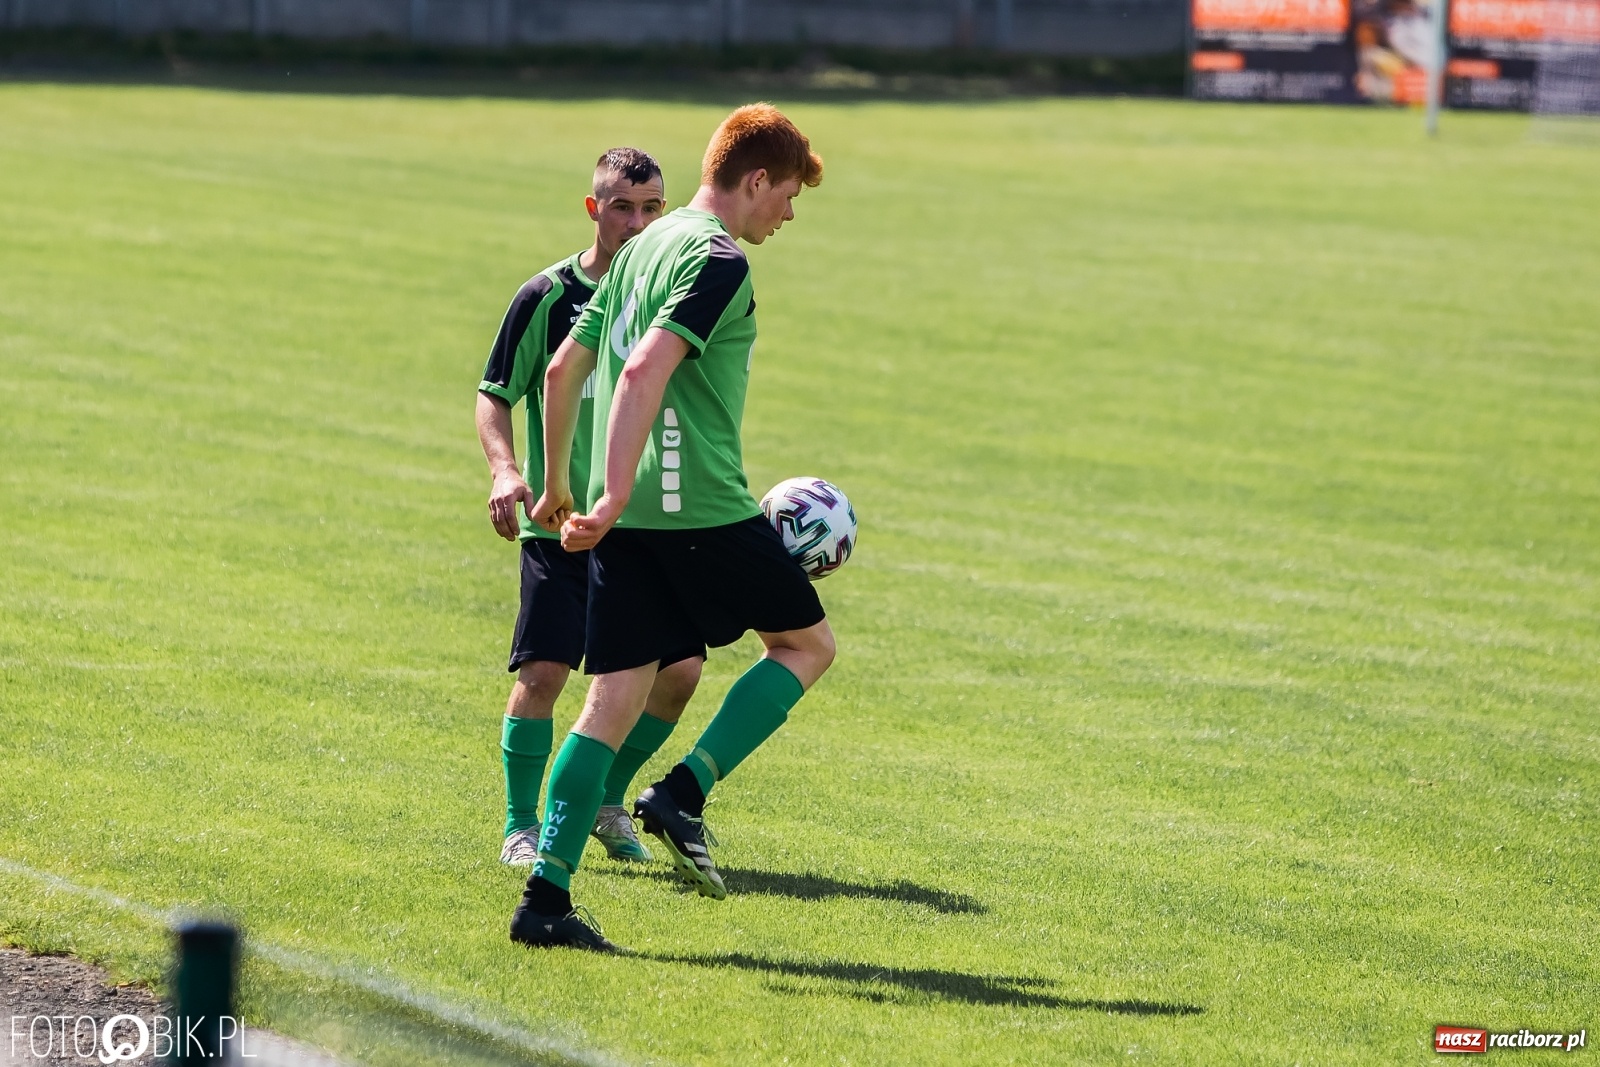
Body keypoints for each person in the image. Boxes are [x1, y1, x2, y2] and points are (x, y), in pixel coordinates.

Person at [510, 104, 833, 952]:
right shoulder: (717, 259)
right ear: (755, 179)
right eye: (788, 196)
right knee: (806, 646)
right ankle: (683, 792)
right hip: (703, 508)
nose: (788, 216)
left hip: (631, 523)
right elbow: (644, 369)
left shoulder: (642, 246)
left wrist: (559, 485)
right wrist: (610, 493)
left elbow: (562, 368)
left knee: (609, 699)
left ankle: (546, 899)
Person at [475, 148, 705, 869]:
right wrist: (506, 469)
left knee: (681, 671)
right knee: (545, 674)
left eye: (650, 208)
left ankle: (606, 797)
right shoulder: (546, 294)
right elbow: (494, 392)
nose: (636, 223)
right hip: (560, 523)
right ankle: (522, 826)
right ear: (592, 208)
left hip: (643, 527)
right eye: (621, 207)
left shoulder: (675, 292)